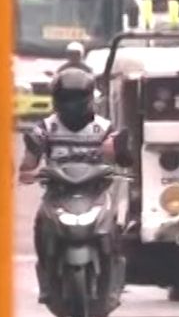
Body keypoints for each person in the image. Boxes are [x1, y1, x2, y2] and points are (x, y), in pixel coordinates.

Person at [18, 67, 118, 305]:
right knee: (41, 226)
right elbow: (28, 163)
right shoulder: (44, 128)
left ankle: (113, 281)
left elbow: (120, 158)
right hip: (57, 194)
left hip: (95, 193)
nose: (71, 104)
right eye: (66, 99)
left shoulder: (104, 128)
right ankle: (46, 276)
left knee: (114, 229)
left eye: (76, 98)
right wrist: (29, 172)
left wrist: (116, 157)